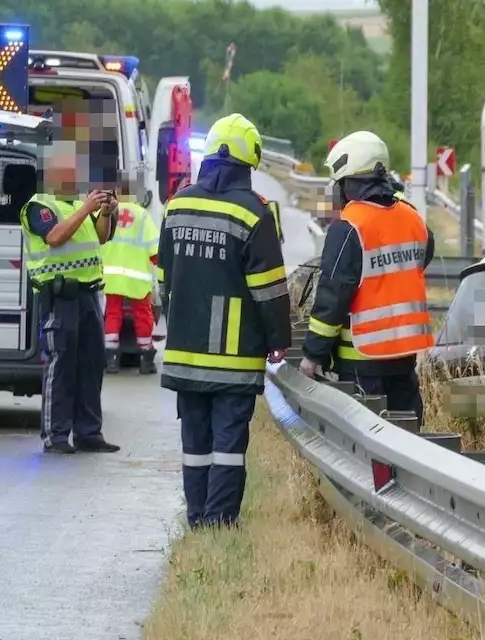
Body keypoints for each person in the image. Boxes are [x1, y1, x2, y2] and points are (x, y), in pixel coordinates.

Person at [158, 113, 291, 528]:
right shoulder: (254, 213)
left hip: (184, 351)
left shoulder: (177, 205)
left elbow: (164, 279)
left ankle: (197, 517)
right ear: (246, 166)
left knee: (194, 444)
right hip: (233, 357)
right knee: (228, 445)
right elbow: (269, 291)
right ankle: (219, 521)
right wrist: (278, 339)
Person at [298, 131, 436, 425]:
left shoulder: (348, 228)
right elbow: (418, 260)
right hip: (404, 359)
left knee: (370, 453)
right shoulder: (413, 219)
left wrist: (312, 356)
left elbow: (332, 300)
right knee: (406, 442)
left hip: (361, 364)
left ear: (348, 183)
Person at [21, 156, 120, 455]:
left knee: (91, 365)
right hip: (59, 296)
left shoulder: (79, 204)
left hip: (88, 294)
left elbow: (100, 237)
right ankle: (56, 435)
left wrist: (104, 213)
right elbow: (54, 238)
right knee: (61, 365)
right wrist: (87, 209)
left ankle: (89, 433)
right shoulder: (39, 206)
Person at [100, 188, 160, 375]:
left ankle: (111, 360)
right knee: (143, 315)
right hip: (138, 277)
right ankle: (145, 360)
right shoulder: (142, 215)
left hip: (111, 275)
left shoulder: (105, 211)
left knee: (112, 314)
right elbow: (155, 251)